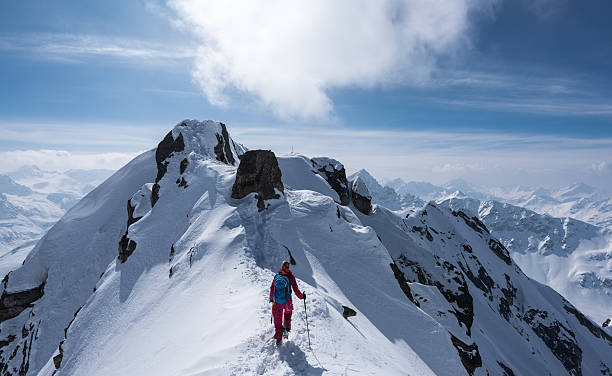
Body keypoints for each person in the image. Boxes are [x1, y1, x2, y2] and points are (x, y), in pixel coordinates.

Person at [269, 260, 305, 345]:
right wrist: (302, 297)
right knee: (288, 314)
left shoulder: (277, 275)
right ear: (288, 267)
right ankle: (286, 329)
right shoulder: (291, 277)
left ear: (282, 267)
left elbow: (272, 288)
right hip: (287, 302)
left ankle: (278, 336)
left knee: (277, 319)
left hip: (277, 302)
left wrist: (271, 299)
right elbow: (296, 289)